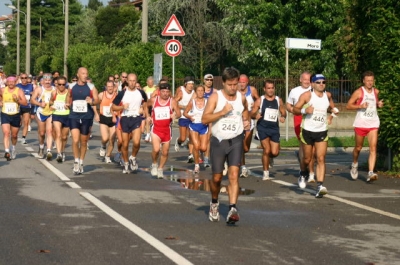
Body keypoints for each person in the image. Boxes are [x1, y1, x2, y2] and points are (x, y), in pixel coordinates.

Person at [202, 67, 250, 224]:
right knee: (216, 178)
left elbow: (246, 111)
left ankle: (232, 208)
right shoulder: (215, 98)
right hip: (218, 141)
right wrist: (222, 112)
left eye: (235, 84)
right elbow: (205, 119)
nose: (233, 88)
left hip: (236, 140)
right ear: (223, 83)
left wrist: (246, 120)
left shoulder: (241, 98)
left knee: (234, 175)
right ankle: (214, 202)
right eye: (230, 84)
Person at [293, 74, 339, 198]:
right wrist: (304, 110)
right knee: (307, 159)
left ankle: (320, 186)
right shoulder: (307, 96)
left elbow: (329, 107)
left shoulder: (327, 95)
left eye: (323, 82)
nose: (321, 84)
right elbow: (294, 109)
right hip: (307, 130)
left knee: (321, 158)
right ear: (312, 84)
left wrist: (333, 112)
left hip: (322, 131)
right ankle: (303, 173)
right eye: (318, 82)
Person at [346, 71, 383, 182]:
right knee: (358, 148)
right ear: (363, 81)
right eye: (367, 81)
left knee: (373, 148)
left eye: (371, 80)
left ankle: (370, 172)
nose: (370, 83)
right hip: (361, 123)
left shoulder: (376, 92)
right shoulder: (359, 92)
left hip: (373, 123)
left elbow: (375, 103)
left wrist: (379, 104)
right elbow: (348, 106)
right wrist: (360, 106)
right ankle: (355, 164)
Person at [111, 73, 148, 174]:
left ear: (136, 81)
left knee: (136, 142)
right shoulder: (122, 93)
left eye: (134, 81)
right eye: (130, 81)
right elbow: (113, 107)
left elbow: (145, 103)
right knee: (125, 144)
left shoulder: (141, 92)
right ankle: (126, 163)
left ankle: (133, 157)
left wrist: (144, 111)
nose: (132, 83)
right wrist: (122, 107)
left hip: (136, 118)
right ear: (127, 81)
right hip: (125, 119)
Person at [251, 80, 286, 180]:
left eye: (272, 88)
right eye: (268, 88)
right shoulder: (260, 100)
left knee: (275, 152)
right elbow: (252, 113)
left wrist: (283, 116)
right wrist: (255, 115)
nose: (270, 90)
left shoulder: (278, 100)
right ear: (264, 89)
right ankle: (266, 173)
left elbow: (283, 112)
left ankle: (270, 158)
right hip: (262, 128)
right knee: (266, 150)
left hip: (274, 128)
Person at [68, 67, 99, 174]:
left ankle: (81, 162)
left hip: (86, 116)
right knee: (75, 140)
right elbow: (68, 97)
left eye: (86, 73)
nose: (85, 75)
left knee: (84, 141)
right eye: (83, 73)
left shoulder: (91, 87)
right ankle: (76, 161)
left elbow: (97, 100)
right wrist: (67, 104)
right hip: (74, 116)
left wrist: (92, 101)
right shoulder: (71, 86)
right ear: (78, 75)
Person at [286, 71, 316, 182]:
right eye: (305, 79)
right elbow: (288, 105)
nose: (307, 81)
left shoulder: (315, 89)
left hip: (313, 118)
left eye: (309, 79)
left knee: (313, 148)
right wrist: (291, 109)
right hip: (299, 118)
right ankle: (307, 170)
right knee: (304, 144)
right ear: (300, 80)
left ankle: (308, 167)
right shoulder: (294, 91)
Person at [147, 82, 181, 178]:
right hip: (156, 129)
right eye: (163, 91)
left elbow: (179, 113)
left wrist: (175, 115)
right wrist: (148, 116)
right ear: (159, 92)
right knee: (156, 149)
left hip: (167, 130)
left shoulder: (172, 101)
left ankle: (160, 168)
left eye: (167, 91)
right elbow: (146, 106)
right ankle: (154, 164)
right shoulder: (154, 100)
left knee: (165, 152)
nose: (165, 93)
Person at [0, 75, 28, 160]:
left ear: (15, 82)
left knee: (14, 135)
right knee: (6, 133)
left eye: (13, 82)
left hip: (15, 114)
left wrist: (17, 100)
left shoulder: (19, 91)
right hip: (5, 114)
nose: (11, 83)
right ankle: (7, 151)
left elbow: (25, 103)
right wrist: (0, 102)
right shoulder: (2, 90)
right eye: (9, 82)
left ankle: (13, 148)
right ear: (7, 83)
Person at [238, 74, 260, 178]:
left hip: (250, 120)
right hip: (238, 120)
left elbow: (259, 100)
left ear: (247, 82)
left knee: (246, 148)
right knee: (241, 146)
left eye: (243, 82)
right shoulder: (235, 91)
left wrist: (255, 106)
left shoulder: (252, 90)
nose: (241, 84)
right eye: (240, 82)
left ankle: (238, 161)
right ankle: (243, 167)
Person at [183, 85, 209, 174]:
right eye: (198, 90)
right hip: (194, 126)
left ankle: (201, 155)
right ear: (196, 92)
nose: (200, 92)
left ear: (204, 92)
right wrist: (190, 117)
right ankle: (197, 165)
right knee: (196, 146)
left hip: (204, 126)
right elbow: (185, 113)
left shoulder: (207, 102)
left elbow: (211, 113)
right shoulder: (192, 102)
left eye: (202, 90)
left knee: (204, 148)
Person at [30, 73, 55, 160]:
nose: (47, 82)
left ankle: (49, 151)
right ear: (43, 81)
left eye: (49, 80)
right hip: (41, 113)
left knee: (49, 131)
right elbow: (32, 100)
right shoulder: (39, 89)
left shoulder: (54, 89)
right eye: (46, 80)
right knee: (41, 133)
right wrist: (40, 104)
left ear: (51, 81)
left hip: (51, 113)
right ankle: (41, 147)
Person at [174, 76, 195, 163]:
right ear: (185, 84)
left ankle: (190, 155)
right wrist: (184, 106)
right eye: (189, 84)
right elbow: (174, 102)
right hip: (183, 116)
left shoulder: (194, 92)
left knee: (191, 137)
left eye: (192, 84)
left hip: (191, 116)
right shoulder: (181, 91)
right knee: (183, 138)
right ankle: (178, 141)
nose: (191, 86)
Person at [49, 76, 70, 163]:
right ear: (56, 84)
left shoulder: (69, 93)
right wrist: (51, 106)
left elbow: (71, 103)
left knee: (64, 137)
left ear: (66, 84)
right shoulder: (54, 93)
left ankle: (63, 151)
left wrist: (68, 105)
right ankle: (59, 154)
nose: (61, 86)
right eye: (59, 84)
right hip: (56, 115)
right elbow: (50, 102)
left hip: (67, 115)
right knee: (58, 134)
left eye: (63, 84)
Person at [98, 80, 117, 163]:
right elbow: (96, 104)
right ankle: (103, 145)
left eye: (111, 87)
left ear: (114, 87)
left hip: (113, 118)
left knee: (112, 140)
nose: (110, 88)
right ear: (106, 87)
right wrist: (96, 113)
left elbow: (120, 106)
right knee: (105, 138)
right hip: (104, 118)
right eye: (108, 86)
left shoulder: (117, 96)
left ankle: (108, 155)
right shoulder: (101, 95)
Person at [202, 74, 217, 168]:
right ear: (204, 80)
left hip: (210, 117)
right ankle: (201, 153)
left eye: (211, 80)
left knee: (208, 138)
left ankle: (206, 158)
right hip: (200, 118)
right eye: (207, 79)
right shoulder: (200, 90)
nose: (209, 81)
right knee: (201, 143)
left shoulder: (215, 92)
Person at [17, 73, 35, 144]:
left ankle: (24, 138)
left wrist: (32, 94)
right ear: (20, 79)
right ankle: (16, 135)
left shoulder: (31, 86)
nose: (24, 79)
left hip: (27, 106)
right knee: (19, 123)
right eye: (22, 78)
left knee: (26, 122)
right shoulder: (18, 86)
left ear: (27, 78)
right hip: (19, 106)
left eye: (25, 78)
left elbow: (33, 96)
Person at [143, 76, 157, 142]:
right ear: (147, 82)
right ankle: (148, 134)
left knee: (153, 120)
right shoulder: (145, 89)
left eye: (152, 82)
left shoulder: (155, 88)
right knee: (147, 119)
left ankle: (152, 134)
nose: (151, 83)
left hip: (154, 106)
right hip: (147, 106)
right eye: (149, 82)